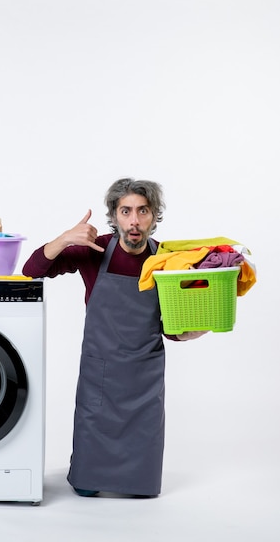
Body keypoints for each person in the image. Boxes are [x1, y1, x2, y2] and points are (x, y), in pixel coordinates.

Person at [22, 178, 206, 498]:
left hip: (144, 378)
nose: (134, 221)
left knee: (142, 491)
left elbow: (171, 327)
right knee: (85, 488)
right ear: (115, 215)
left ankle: (138, 481)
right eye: (126, 211)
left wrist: (193, 330)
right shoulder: (94, 252)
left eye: (142, 211)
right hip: (100, 375)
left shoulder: (165, 260)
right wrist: (64, 239)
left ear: (153, 215)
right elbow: (31, 271)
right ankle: (90, 475)